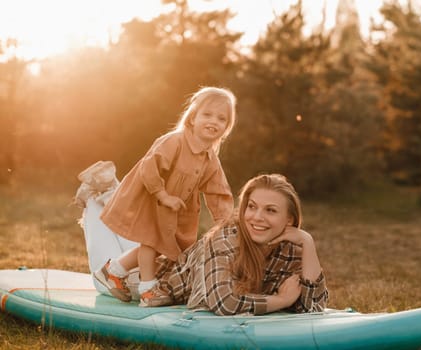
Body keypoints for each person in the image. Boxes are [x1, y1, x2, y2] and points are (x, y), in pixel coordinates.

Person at [93, 86, 237, 306]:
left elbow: (219, 193)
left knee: (167, 248)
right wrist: (163, 195)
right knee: (151, 241)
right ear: (193, 118)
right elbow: (149, 167)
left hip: (176, 211)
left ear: (226, 127)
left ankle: (114, 270)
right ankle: (148, 290)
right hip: (152, 197)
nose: (213, 121)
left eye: (221, 119)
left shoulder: (210, 160)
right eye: (207, 114)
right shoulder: (175, 141)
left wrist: (227, 224)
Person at [137, 173, 329, 315]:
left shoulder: (290, 249)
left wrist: (308, 243)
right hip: (151, 282)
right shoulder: (224, 240)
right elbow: (223, 302)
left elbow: (313, 308)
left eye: (270, 210)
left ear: (289, 220)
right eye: (251, 207)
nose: (257, 217)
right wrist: (281, 300)